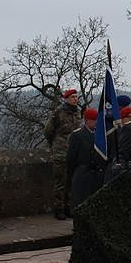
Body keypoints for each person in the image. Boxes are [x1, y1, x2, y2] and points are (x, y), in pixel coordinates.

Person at [44, 88, 81, 220]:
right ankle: (58, 209)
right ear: (66, 99)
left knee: (71, 181)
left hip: (73, 152)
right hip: (60, 152)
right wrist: (55, 145)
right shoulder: (58, 112)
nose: (75, 99)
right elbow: (48, 131)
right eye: (72, 97)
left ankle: (68, 207)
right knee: (60, 182)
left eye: (76, 97)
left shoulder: (77, 112)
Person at [65, 108, 105, 211]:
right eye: (95, 120)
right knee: (81, 202)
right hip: (83, 173)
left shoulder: (100, 135)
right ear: (87, 121)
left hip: (97, 174)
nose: (97, 123)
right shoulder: (77, 135)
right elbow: (71, 158)